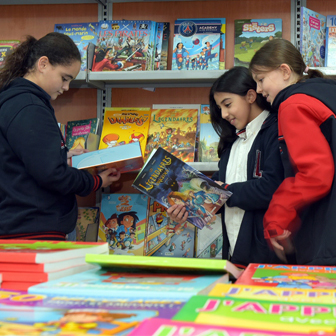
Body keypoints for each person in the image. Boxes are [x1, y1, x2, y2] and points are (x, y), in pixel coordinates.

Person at [0, 32, 121, 240]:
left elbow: (19, 159)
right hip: (33, 230)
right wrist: (96, 181)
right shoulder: (30, 106)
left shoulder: (15, 101)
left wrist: (60, 155)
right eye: (64, 78)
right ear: (43, 64)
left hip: (21, 225)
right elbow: (51, 175)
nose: (66, 88)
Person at [167, 66, 284, 267]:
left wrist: (225, 191)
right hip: (234, 254)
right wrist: (186, 208)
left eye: (228, 104)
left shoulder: (276, 130)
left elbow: (272, 188)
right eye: (219, 107)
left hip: (269, 259)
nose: (223, 114)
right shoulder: (232, 142)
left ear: (250, 96)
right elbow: (218, 200)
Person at [249, 38, 336, 266]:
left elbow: (315, 174)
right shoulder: (325, 94)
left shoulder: (293, 105)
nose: (258, 90)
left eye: (261, 80)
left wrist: (277, 215)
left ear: (285, 71)